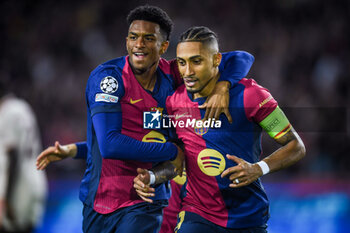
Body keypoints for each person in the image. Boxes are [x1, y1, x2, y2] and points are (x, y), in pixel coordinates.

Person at [36, 5, 255, 233]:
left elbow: (242, 58)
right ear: (127, 41)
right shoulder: (109, 79)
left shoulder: (174, 75)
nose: (139, 44)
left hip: (147, 197)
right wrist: (172, 152)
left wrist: (223, 84)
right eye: (134, 37)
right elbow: (110, 145)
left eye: (148, 38)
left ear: (164, 46)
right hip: (99, 199)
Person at [133, 26, 306, 233]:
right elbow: (175, 157)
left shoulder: (251, 95)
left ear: (216, 60)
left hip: (247, 215)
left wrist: (259, 168)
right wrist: (151, 177)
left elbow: (296, 146)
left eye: (196, 61)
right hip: (197, 213)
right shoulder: (173, 102)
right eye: (182, 63)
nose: (187, 72)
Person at [0, 81, 47, 233]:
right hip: (36, 181)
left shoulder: (7, 112)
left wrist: (6, 199)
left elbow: (12, 156)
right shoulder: (23, 107)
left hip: (18, 189)